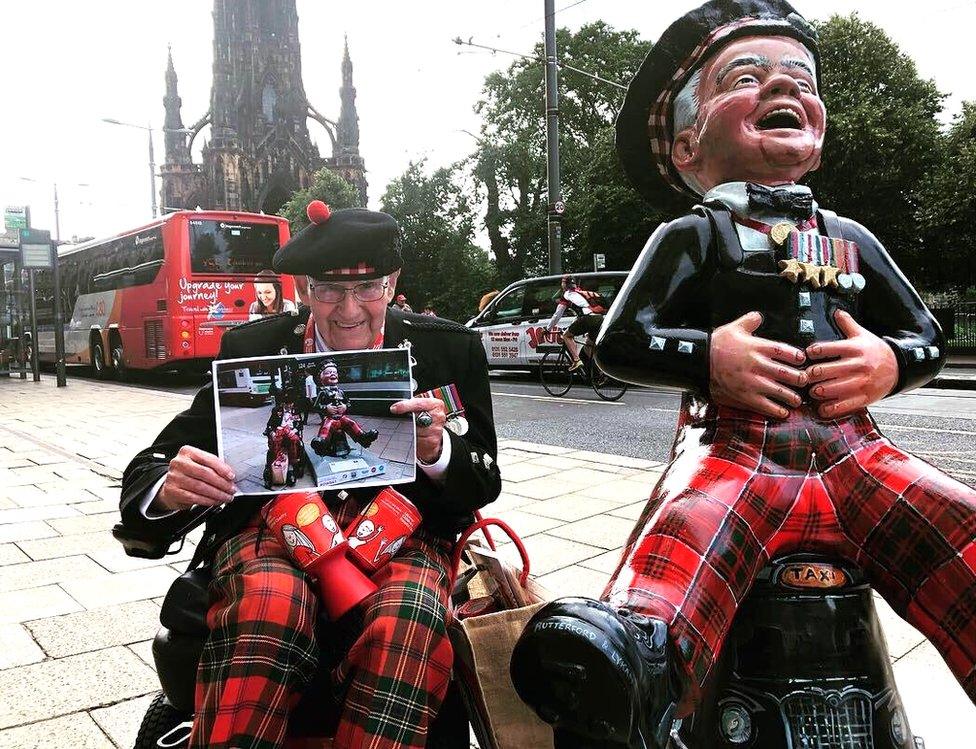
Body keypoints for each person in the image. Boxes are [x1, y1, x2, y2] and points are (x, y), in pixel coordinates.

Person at [509, 2, 976, 747]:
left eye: (799, 77)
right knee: (691, 526)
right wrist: (708, 359)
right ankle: (631, 665)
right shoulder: (695, 234)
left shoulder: (849, 238)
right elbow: (623, 339)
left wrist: (889, 363)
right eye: (746, 77)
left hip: (858, 452)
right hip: (738, 451)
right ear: (689, 145)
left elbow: (923, 334)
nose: (779, 88)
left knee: (950, 521)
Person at [117, 201, 501, 749]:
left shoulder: (448, 349)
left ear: (393, 284)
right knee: (268, 604)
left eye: (368, 288)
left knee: (409, 618)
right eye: (329, 290)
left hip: (401, 531)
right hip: (271, 527)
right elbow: (154, 465)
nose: (349, 309)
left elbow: (484, 477)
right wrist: (168, 489)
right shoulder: (253, 348)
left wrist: (440, 452)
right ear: (304, 290)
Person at [545, 274, 608, 372]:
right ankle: (602, 372)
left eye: (562, 282)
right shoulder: (580, 292)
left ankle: (576, 360)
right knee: (588, 347)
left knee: (566, 336)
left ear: (564, 285)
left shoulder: (567, 295)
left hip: (588, 319)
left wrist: (548, 329)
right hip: (600, 319)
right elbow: (581, 314)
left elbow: (557, 315)